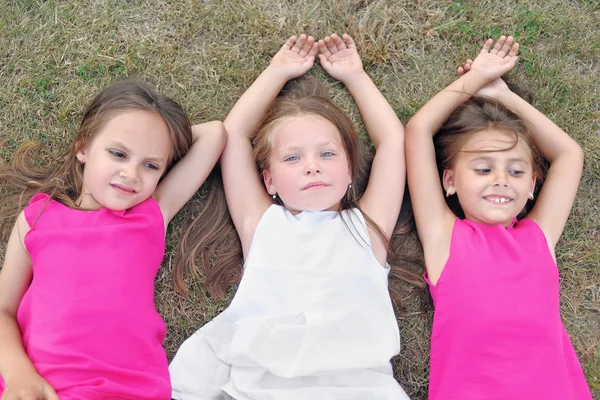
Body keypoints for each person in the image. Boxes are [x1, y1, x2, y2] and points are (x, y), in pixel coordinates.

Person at [169, 33, 411, 399]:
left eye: (327, 155)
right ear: (268, 180)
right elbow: (232, 135)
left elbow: (393, 141)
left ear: (349, 172)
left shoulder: (368, 229)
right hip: (265, 388)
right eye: (293, 158)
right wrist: (275, 72)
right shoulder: (262, 225)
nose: (312, 167)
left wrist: (356, 77)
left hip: (358, 387)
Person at [0, 79, 226, 399]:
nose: (132, 174)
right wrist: (18, 373)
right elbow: (3, 310)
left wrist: (161, 138)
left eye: (150, 165)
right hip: (39, 387)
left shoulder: (150, 215)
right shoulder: (37, 220)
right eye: (118, 153)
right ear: (83, 147)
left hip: (129, 390)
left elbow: (215, 133)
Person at [405, 35, 592, 399]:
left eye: (517, 172)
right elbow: (418, 131)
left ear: (533, 186)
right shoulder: (444, 237)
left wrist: (501, 93)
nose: (501, 180)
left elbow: (570, 154)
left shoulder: (538, 237)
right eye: (483, 168)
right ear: (449, 181)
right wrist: (474, 81)